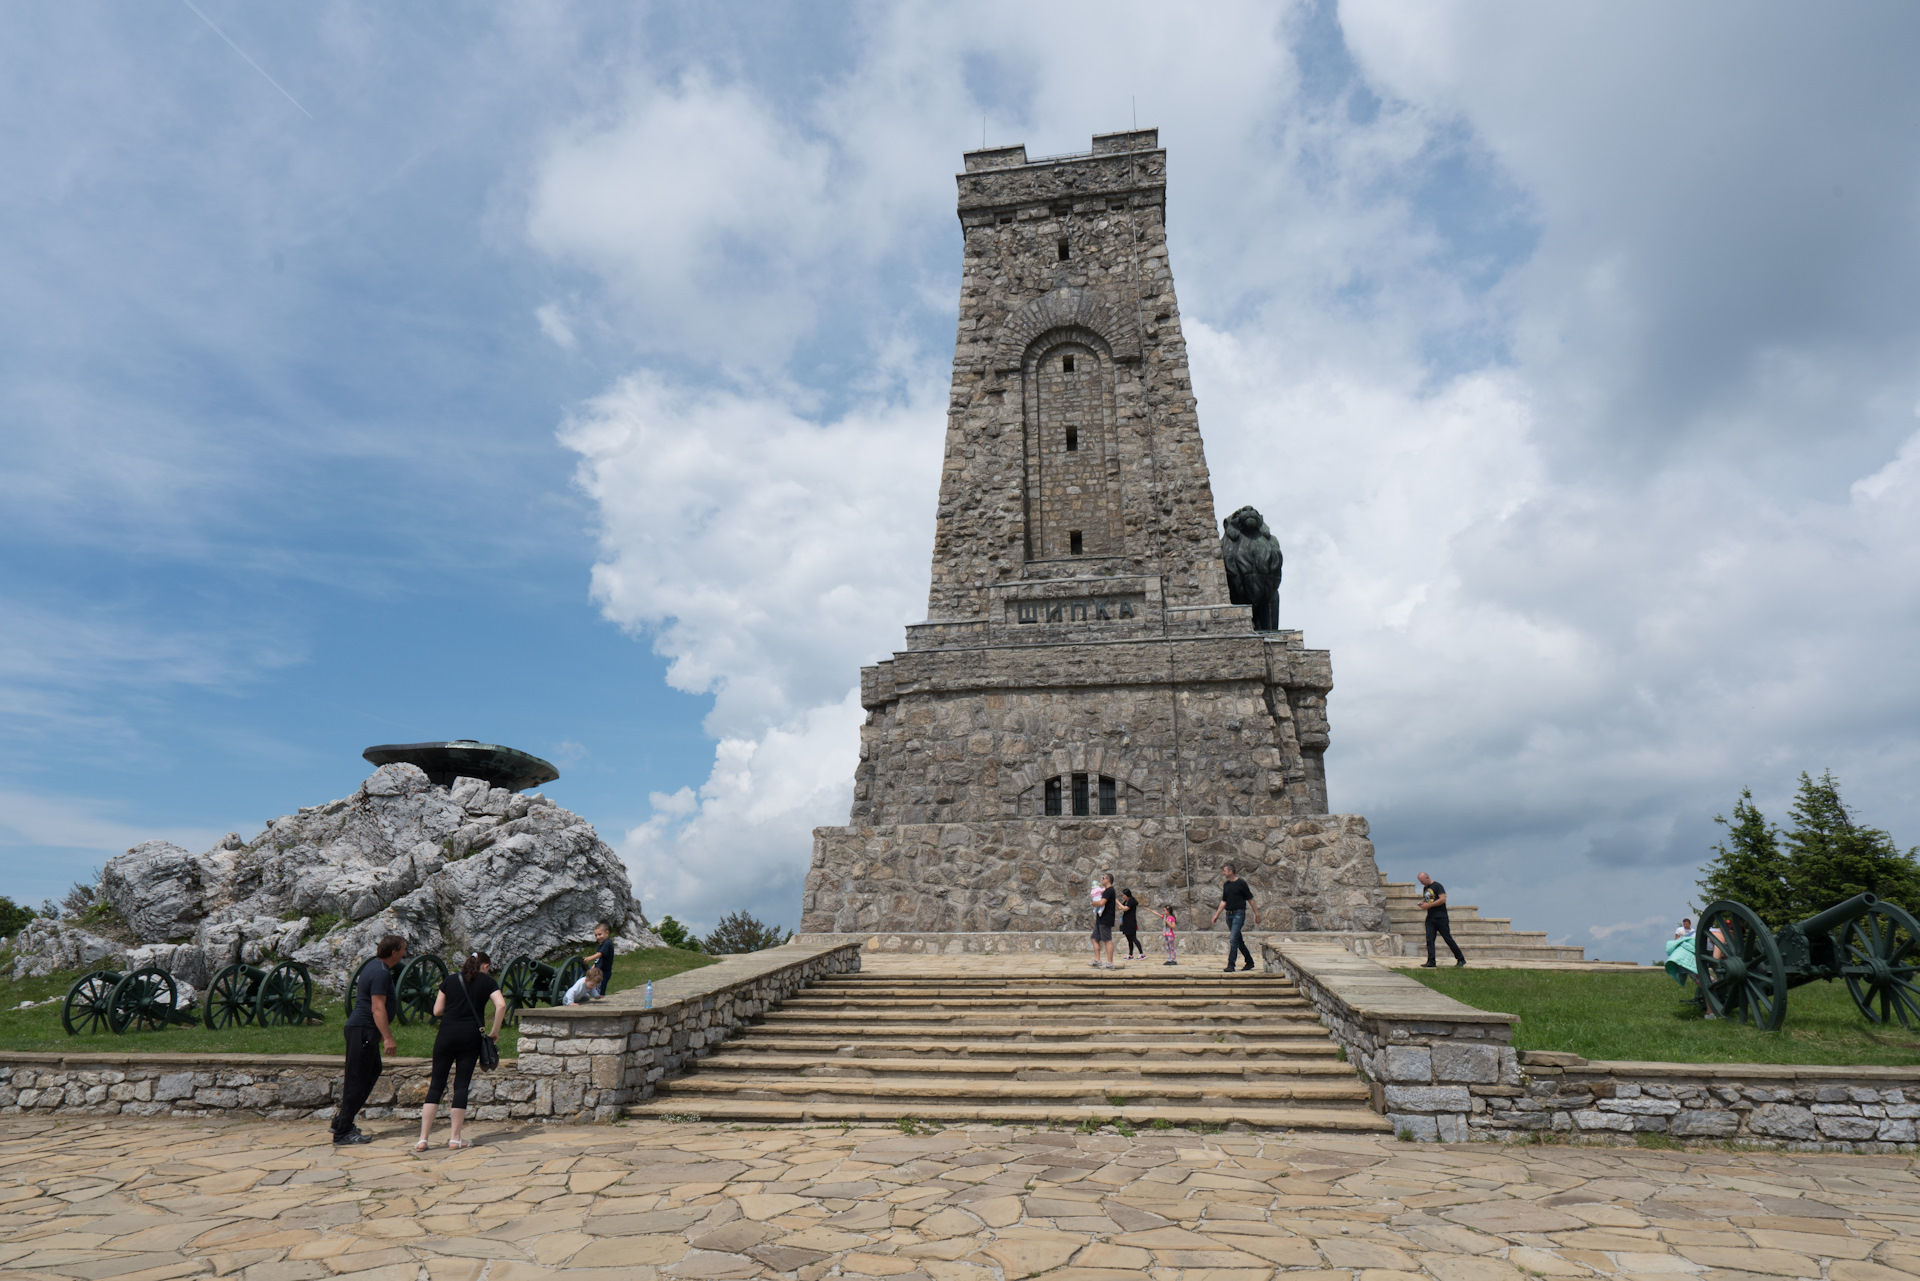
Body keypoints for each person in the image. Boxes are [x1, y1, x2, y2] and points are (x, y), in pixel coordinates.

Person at [417, 951, 507, 1152]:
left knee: (436, 1085)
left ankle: (423, 1139)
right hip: (470, 1037)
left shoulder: (450, 980)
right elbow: (501, 1005)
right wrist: (494, 1031)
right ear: (485, 965)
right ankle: (455, 1139)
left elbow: (437, 1011)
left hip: (446, 1034)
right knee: (461, 1085)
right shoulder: (487, 983)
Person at [334, 933, 406, 1146]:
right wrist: (388, 1037)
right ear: (394, 952)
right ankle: (342, 1132)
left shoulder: (375, 967)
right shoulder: (381, 973)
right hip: (364, 1030)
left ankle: (340, 1121)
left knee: (371, 1072)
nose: (404, 953)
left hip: (363, 1031)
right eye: (402, 949)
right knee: (357, 1080)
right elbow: (377, 1007)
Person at [1209, 864, 1257, 973]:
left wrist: (1257, 914)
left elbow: (1250, 899)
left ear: (1231, 871)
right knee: (1238, 940)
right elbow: (1224, 901)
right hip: (1229, 915)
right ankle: (1249, 961)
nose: (1223, 872)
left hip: (1239, 914)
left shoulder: (1241, 883)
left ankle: (1231, 965)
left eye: (1224, 871)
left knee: (1233, 939)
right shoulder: (1226, 885)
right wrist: (1216, 915)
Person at [1417, 872, 1466, 968]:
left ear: (1427, 878)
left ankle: (1460, 958)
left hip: (1440, 917)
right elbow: (1429, 899)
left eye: (1422, 881)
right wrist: (1423, 903)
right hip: (1430, 917)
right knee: (1429, 940)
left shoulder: (1437, 886)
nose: (1421, 883)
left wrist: (1429, 905)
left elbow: (1442, 899)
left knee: (1448, 939)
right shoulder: (1425, 888)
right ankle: (1431, 961)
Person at [583, 922, 615, 997]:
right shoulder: (600, 945)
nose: (597, 937)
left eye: (599, 934)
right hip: (598, 971)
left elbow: (600, 954)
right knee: (596, 988)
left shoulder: (607, 943)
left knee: (600, 989)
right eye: (596, 935)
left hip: (604, 972)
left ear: (607, 933)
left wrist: (589, 958)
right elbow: (598, 959)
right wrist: (593, 967)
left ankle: (601, 1000)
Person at [1119, 889, 1142, 961]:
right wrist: (1117, 903)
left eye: (1123, 895)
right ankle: (1130, 954)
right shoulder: (1127, 901)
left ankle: (1141, 953)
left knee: (1133, 938)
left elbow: (1125, 908)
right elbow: (1120, 907)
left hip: (1131, 922)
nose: (1123, 896)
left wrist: (1117, 902)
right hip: (1126, 922)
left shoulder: (1132, 901)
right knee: (1129, 939)